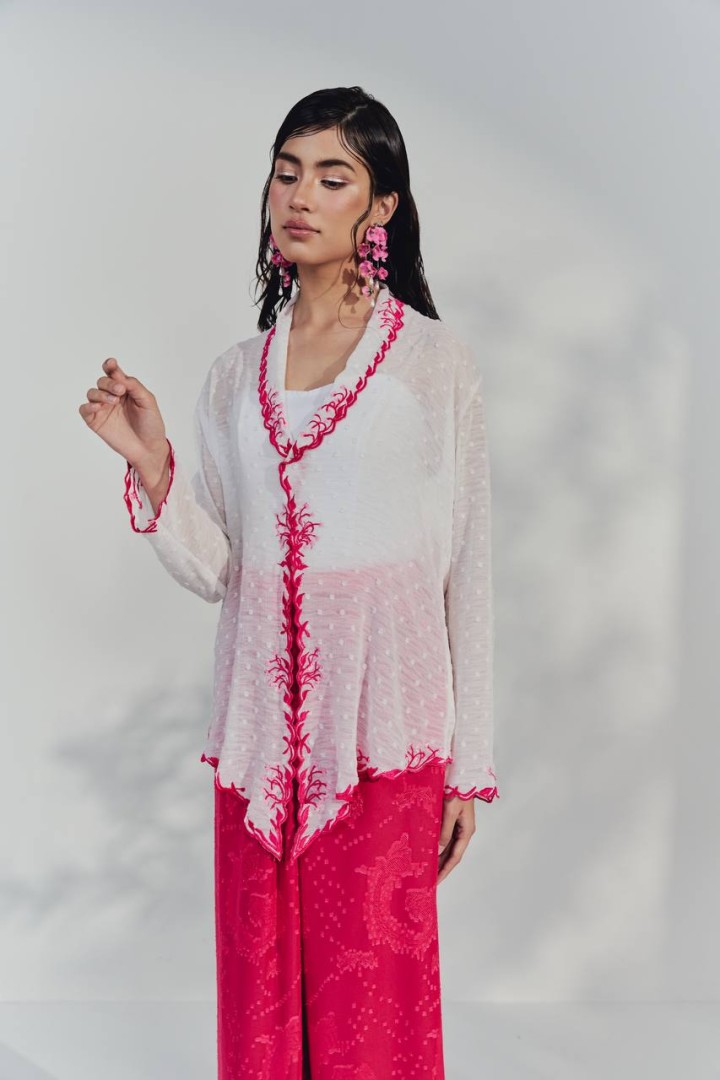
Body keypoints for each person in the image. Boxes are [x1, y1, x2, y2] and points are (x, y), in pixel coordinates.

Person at [79, 85, 498, 1080]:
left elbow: (468, 563)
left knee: (372, 1020)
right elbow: (222, 569)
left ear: (381, 205)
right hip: (260, 739)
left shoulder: (431, 364)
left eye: (333, 176)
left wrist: (467, 767)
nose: (300, 196)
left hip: (383, 736)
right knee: (262, 1018)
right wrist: (153, 465)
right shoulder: (235, 377)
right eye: (286, 172)